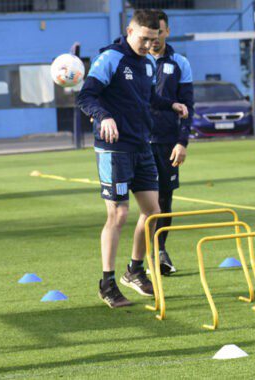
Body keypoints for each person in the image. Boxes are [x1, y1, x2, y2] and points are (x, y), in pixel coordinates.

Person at [76, 10, 189, 308]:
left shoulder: (148, 63)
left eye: (154, 40)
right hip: (114, 148)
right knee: (119, 214)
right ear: (130, 30)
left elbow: (148, 98)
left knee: (154, 212)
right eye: (143, 39)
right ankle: (107, 283)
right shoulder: (111, 58)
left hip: (142, 146)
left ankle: (134, 270)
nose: (148, 45)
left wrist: (171, 104)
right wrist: (104, 116)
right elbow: (86, 96)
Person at [148, 9, 194, 275]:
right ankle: (139, 260)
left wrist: (182, 142)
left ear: (167, 31)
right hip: (139, 141)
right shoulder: (133, 62)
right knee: (142, 201)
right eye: (151, 32)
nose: (155, 38)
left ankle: (160, 251)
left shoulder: (179, 63)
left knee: (164, 199)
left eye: (160, 31)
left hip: (167, 143)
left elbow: (188, 106)